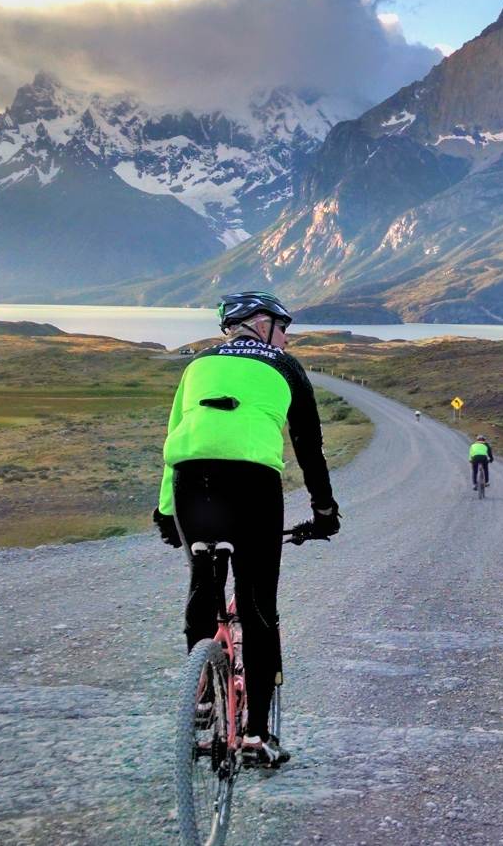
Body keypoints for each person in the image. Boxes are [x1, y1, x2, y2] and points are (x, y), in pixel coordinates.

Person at [151, 290, 340, 767]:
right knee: (257, 606)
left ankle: (202, 698)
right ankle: (257, 737)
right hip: (253, 483)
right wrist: (323, 512)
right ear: (261, 323)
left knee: (203, 581)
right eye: (284, 324)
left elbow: (175, 436)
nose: (287, 335)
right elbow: (309, 446)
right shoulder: (285, 365)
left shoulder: (195, 365)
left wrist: (164, 511)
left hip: (191, 482)